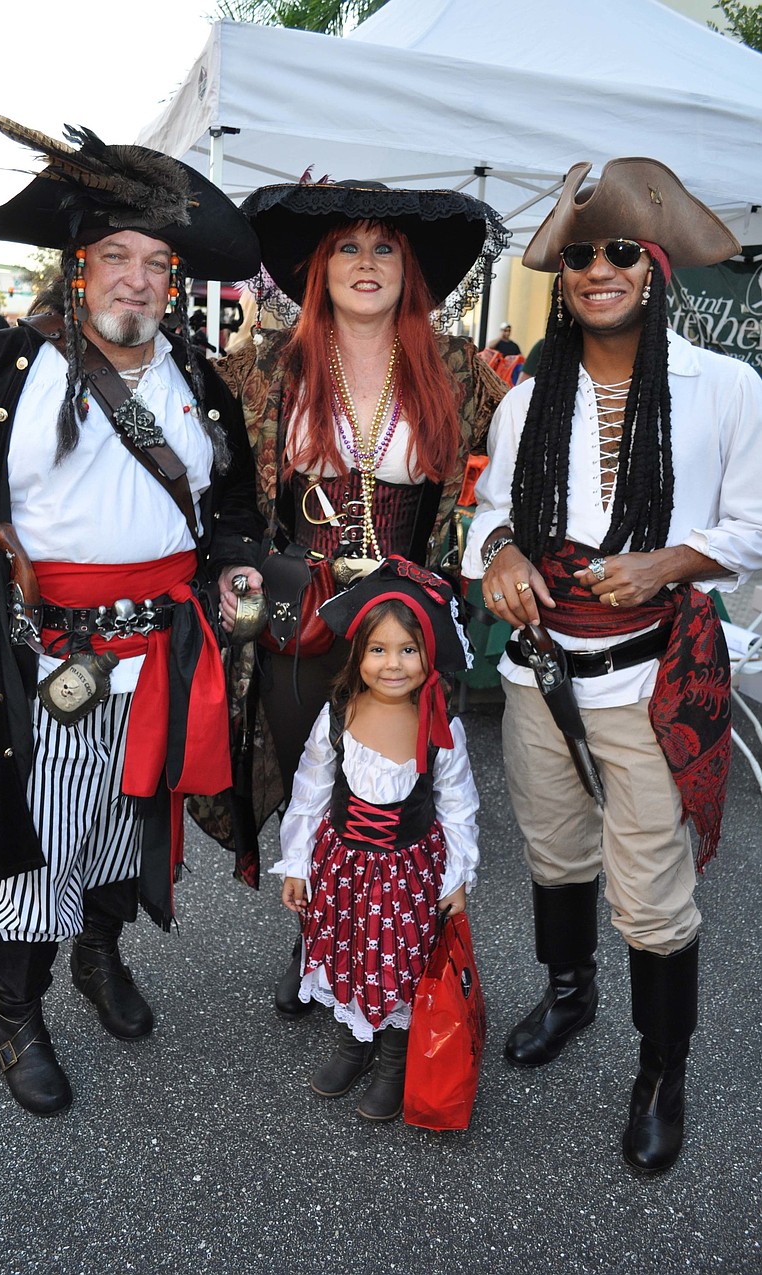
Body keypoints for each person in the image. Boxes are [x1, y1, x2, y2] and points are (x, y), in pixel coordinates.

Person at [0, 99, 263, 1117]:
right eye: (116, 257)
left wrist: (233, 566)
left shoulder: (197, 376)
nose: (137, 279)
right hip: (45, 661)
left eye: (156, 263)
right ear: (78, 267)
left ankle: (97, 955)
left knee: (126, 825)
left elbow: (233, 504)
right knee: (39, 844)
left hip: (165, 656)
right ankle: (16, 1018)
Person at [462, 157, 762, 1173]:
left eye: (621, 252)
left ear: (655, 268)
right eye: (581, 255)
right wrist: (502, 554)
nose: (598, 270)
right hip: (542, 671)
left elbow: (754, 524)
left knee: (652, 892)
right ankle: (569, 993)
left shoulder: (724, 388)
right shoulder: (528, 396)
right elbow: (490, 513)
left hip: (652, 672)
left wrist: (669, 561)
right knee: (554, 851)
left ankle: (660, 1073)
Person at [213, 176, 508, 1013]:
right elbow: (227, 483)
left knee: (395, 790)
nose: (366, 262)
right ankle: (316, 937)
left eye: (385, 248)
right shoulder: (271, 365)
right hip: (302, 614)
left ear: (410, 271)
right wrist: (235, 566)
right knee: (313, 778)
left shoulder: (458, 369)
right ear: (321, 267)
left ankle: (395, 937)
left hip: (403, 617)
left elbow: (519, 462)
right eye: (348, 247)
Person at [273, 556, 480, 1120]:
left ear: (428, 655)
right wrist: (297, 862)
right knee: (347, 950)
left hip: (409, 875)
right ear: (358, 655)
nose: (393, 664)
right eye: (378, 650)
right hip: (343, 870)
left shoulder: (441, 725)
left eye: (408, 650)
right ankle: (353, 1043)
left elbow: (458, 806)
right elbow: (310, 789)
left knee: (400, 960)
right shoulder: (338, 716)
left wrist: (457, 875)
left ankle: (392, 1058)